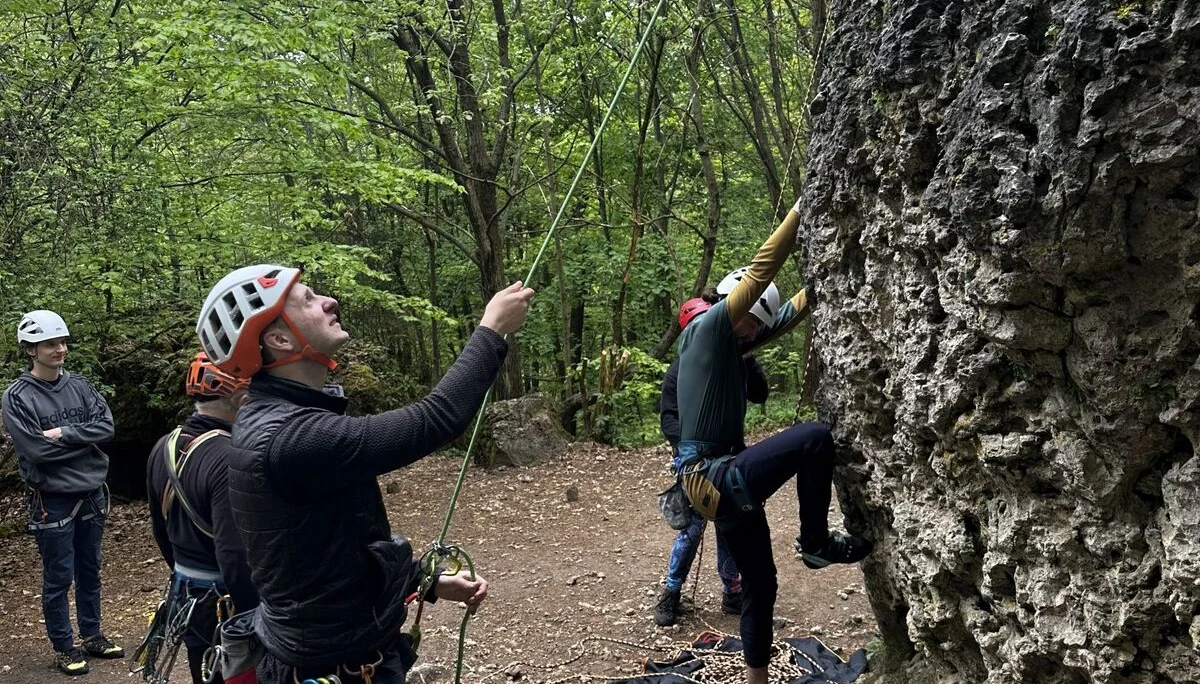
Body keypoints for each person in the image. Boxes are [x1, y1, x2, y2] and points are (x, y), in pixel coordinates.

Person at [195, 265, 534, 684]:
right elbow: (435, 418)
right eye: (307, 300)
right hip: (334, 668)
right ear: (279, 340)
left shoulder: (285, 419)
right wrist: (492, 329)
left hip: (333, 656)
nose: (329, 301)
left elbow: (322, 551)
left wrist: (422, 580)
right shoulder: (291, 438)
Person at [675, 202, 872, 684]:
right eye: (749, 325)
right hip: (710, 473)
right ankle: (817, 542)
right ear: (734, 307)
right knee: (814, 439)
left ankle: (756, 680)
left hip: (720, 480)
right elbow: (762, 272)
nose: (754, 335)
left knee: (761, 587)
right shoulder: (710, 329)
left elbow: (785, 315)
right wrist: (801, 213)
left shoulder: (734, 342)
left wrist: (829, 270)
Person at [1, 310, 124, 675]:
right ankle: (64, 645)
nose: (60, 349)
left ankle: (92, 634)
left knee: (91, 568)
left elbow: (106, 427)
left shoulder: (80, 386)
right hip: (51, 499)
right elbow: (36, 451)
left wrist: (66, 435)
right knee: (59, 575)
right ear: (30, 350)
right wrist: (83, 440)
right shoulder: (18, 397)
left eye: (62, 342)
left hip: (90, 493)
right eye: (51, 344)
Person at [653, 296, 769, 626]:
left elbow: (759, 394)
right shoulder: (679, 371)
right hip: (696, 462)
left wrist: (748, 359)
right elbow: (669, 419)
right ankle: (671, 593)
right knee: (692, 529)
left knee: (731, 525)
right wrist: (691, 447)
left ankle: (732, 592)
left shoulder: (733, 360)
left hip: (731, 454)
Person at [145, 352, 260, 684]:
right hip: (226, 601)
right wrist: (256, 614)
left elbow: (160, 528)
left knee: (204, 672)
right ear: (241, 397)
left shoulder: (165, 445)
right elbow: (234, 554)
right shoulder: (229, 459)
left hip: (187, 595)